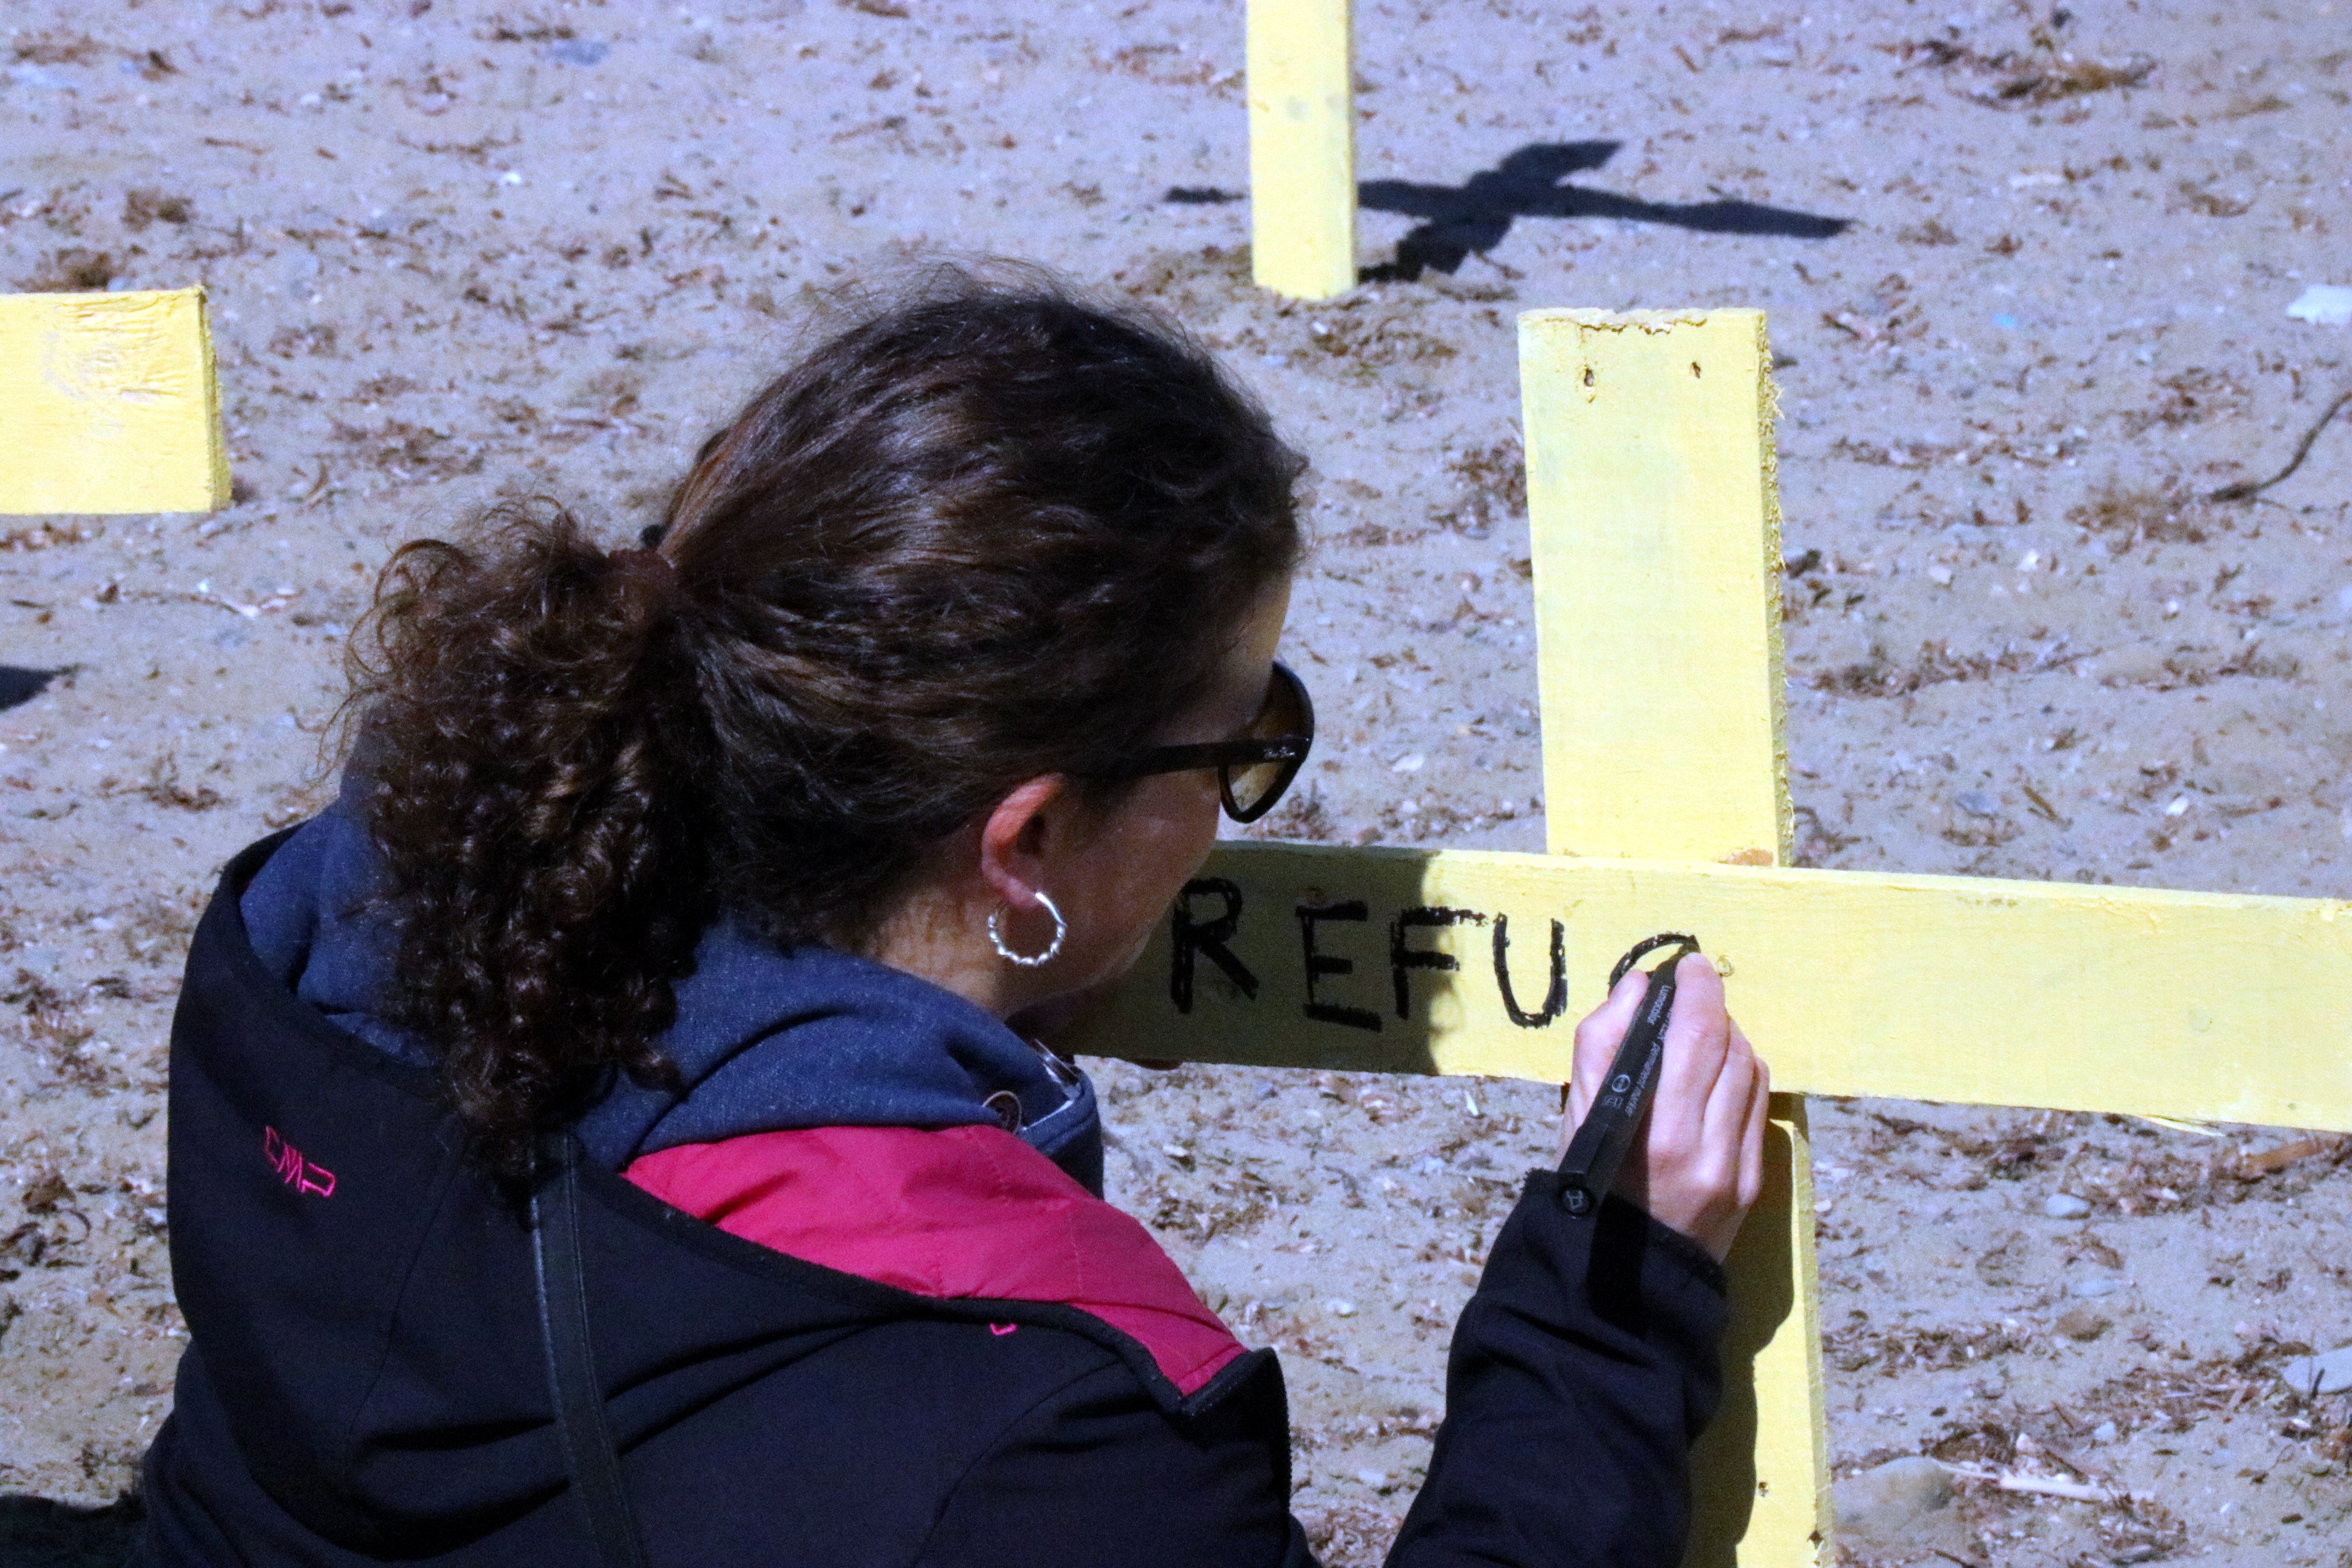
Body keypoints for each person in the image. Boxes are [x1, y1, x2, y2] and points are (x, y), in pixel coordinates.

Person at [140, 271, 1771, 1566]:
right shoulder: (1050, 1432)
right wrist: (1605, 1314)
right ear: (1026, 841)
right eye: (1245, 743)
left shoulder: (307, 961)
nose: (1247, 793)